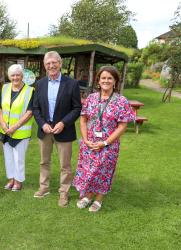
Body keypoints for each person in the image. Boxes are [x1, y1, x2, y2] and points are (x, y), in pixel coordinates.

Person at [73, 66, 135, 212]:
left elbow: (122, 126)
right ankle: (88, 196)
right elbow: (83, 120)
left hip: (108, 145)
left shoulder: (121, 101)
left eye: (110, 78)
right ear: (98, 81)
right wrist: (86, 139)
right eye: (103, 78)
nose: (106, 81)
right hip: (89, 143)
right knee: (89, 171)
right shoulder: (91, 98)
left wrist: (105, 142)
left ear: (115, 82)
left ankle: (99, 199)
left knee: (103, 172)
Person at [33, 51, 82, 207]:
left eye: (54, 62)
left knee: (65, 165)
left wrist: (63, 123)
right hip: (45, 130)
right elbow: (35, 108)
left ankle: (64, 193)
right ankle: (44, 187)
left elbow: (77, 108)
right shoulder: (40, 84)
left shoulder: (72, 84)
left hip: (64, 130)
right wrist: (43, 124)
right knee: (44, 162)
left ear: (60, 63)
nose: (51, 66)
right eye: (48, 63)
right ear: (45, 66)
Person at [0, 64, 34, 191]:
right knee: (8, 157)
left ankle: (18, 181)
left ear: (22, 76)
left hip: (20, 132)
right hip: (5, 131)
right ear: (9, 76)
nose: (15, 77)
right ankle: (11, 178)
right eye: (13, 75)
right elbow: (0, 108)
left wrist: (14, 127)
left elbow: (29, 112)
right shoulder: (5, 88)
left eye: (18, 75)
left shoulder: (30, 91)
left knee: (19, 158)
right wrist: (2, 123)